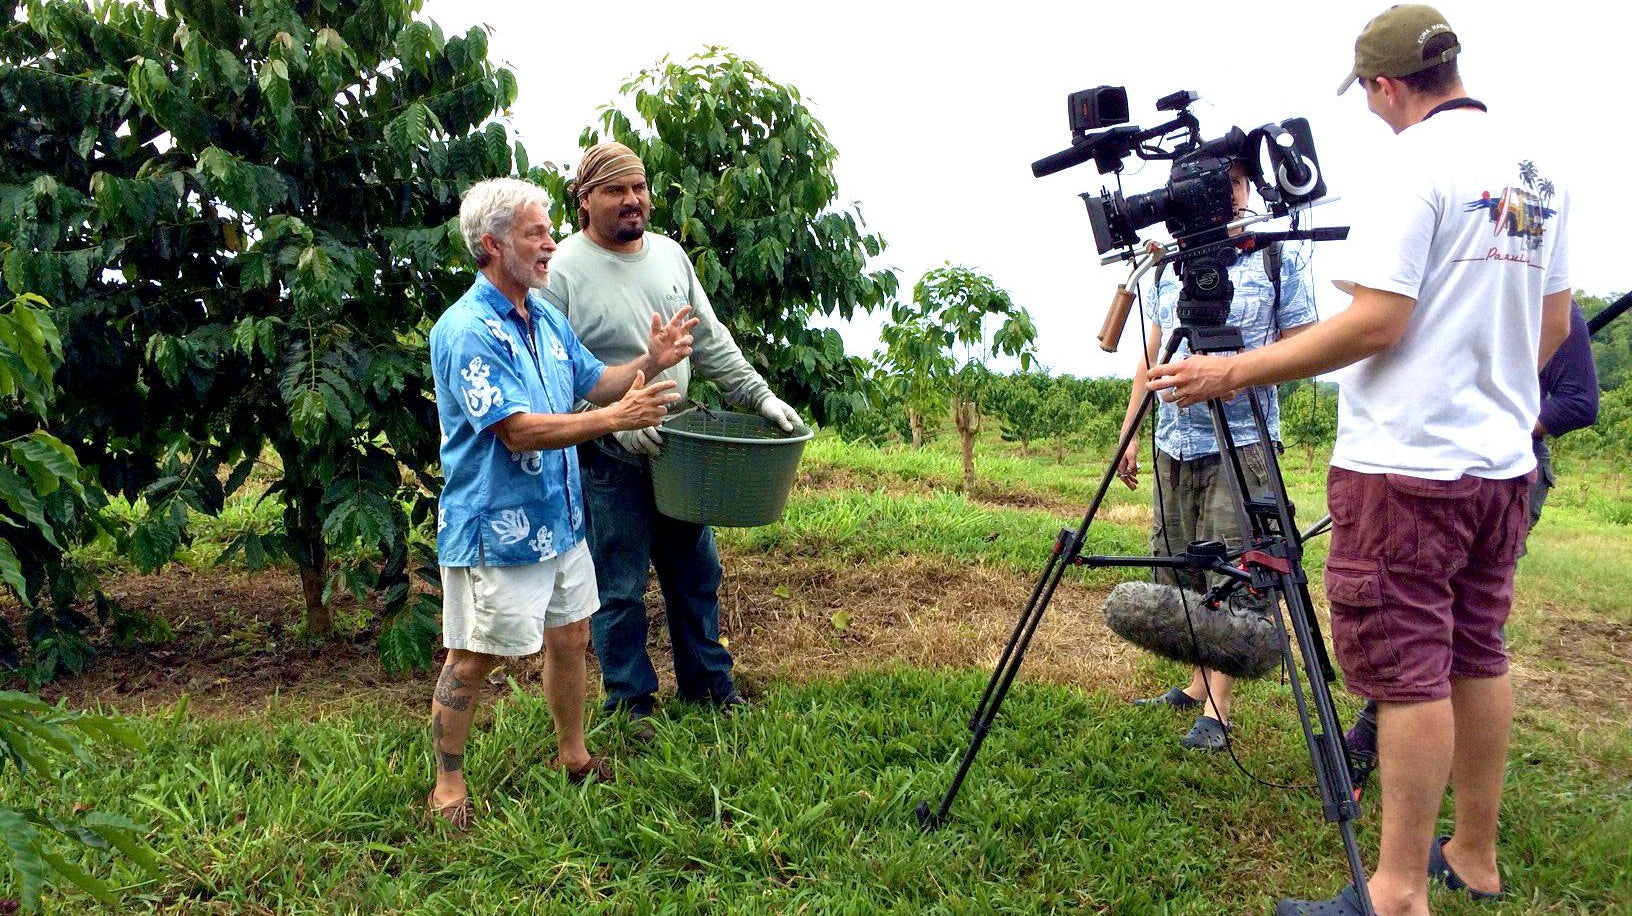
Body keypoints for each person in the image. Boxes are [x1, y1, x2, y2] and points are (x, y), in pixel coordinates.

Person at [1145, 7, 1572, 915]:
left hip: (1406, 467)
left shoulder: (1412, 165)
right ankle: (1478, 858)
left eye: (1370, 96)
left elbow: (1376, 321)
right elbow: (1553, 326)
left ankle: (1397, 893)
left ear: (1386, 85)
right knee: (1475, 654)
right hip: (1499, 462)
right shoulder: (1536, 168)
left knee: (1408, 671)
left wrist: (1232, 370)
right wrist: (1484, 388)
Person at [426, 177, 699, 829]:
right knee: (474, 654)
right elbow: (516, 428)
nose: (551, 244)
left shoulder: (544, 315)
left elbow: (592, 381)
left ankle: (572, 756)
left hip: (560, 515)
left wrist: (649, 362)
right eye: (536, 234)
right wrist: (617, 419)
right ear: (491, 246)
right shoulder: (467, 330)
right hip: (498, 524)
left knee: (572, 635)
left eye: (549, 231)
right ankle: (446, 785)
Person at [542, 142, 802, 737]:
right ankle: (630, 702)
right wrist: (610, 417)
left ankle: (709, 684)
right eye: (615, 190)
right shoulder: (562, 271)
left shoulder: (670, 257)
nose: (632, 200)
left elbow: (709, 341)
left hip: (680, 447)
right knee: (621, 583)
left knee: (695, 571)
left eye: (639, 187)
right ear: (584, 201)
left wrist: (760, 396)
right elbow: (553, 372)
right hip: (610, 454)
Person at [1344, 297, 1598, 786]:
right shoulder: (1461, 301)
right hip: (1431, 467)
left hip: (1503, 471)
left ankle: (1384, 741)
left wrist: (1494, 427)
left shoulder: (1552, 307)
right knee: (1417, 612)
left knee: (1465, 622)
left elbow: (1581, 401)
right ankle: (1386, 740)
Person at [1116, 159, 1318, 751]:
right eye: (1208, 183)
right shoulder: (1165, 266)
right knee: (1181, 564)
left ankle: (1220, 710)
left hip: (1244, 439)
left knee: (1234, 568)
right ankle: (1195, 684)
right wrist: (1131, 431)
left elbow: (1304, 346)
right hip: (1175, 441)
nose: (1224, 195)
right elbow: (1149, 359)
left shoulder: (1276, 255)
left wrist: (1235, 375)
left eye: (1233, 182)